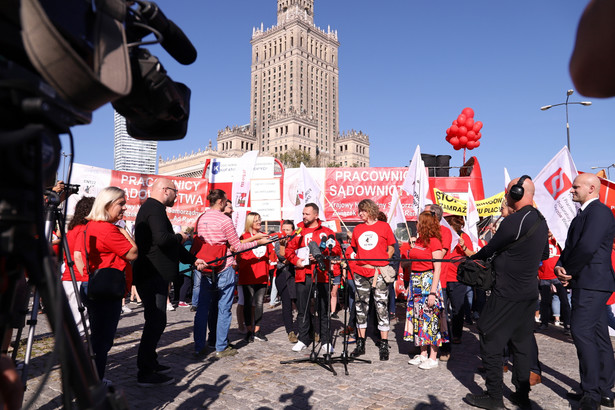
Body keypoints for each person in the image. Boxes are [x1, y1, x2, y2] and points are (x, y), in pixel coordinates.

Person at [463, 176, 548, 410]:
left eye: (508, 191)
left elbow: (489, 249)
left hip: (507, 292)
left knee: (489, 337)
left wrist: (472, 258)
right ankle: (521, 395)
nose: (506, 195)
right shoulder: (540, 220)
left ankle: (494, 396)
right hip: (528, 293)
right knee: (520, 345)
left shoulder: (514, 221)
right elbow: (544, 255)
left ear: (518, 193)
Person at [133, 178, 206, 387]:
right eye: (175, 192)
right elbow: (164, 240)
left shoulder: (154, 208)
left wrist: (192, 259)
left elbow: (167, 245)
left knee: (157, 321)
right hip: (151, 274)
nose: (177, 196)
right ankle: (145, 371)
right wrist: (181, 236)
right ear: (166, 191)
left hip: (155, 274)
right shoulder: (154, 209)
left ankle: (151, 362)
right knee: (155, 322)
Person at [555, 173, 615, 409]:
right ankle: (604, 390)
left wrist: (569, 270)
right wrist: (561, 266)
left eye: (576, 187)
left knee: (581, 332)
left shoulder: (599, 212)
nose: (571, 190)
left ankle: (592, 393)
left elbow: (588, 246)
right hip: (586, 281)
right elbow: (571, 246)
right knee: (598, 334)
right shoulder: (581, 215)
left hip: (593, 282)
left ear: (591, 188)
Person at [193, 189, 270, 359]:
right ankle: (221, 346)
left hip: (205, 265)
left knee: (202, 308)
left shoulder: (201, 218)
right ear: (220, 201)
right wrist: (258, 242)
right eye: (226, 201)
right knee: (224, 308)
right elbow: (238, 246)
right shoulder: (225, 220)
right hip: (224, 266)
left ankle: (199, 346)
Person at [74, 187, 138, 385]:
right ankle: (94, 380)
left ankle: (88, 376)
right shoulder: (108, 229)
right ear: (107, 204)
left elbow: (78, 255)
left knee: (97, 337)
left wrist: (87, 276)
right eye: (121, 203)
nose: (125, 208)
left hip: (93, 285)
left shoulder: (89, 226)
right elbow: (133, 252)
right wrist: (122, 229)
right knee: (102, 340)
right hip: (106, 290)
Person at [285, 203, 341, 354]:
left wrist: (322, 253)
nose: (304, 216)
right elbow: (289, 249)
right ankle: (304, 339)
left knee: (323, 309)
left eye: (307, 214)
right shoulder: (298, 230)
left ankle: (325, 341)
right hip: (303, 274)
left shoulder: (326, 231)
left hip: (321, 275)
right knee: (302, 309)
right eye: (303, 213)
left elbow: (336, 249)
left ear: (316, 215)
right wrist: (296, 261)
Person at [349, 200, 396, 361]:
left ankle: (384, 344)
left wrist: (383, 261)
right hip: (361, 272)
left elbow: (391, 247)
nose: (360, 214)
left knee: (381, 307)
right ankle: (360, 343)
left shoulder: (384, 226)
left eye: (363, 211)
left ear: (370, 210)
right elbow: (355, 248)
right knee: (361, 307)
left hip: (379, 273)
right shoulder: (358, 228)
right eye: (359, 211)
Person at [404, 211, 447, 370]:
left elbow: (437, 268)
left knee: (431, 319)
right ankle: (422, 353)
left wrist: (433, 292)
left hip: (428, 282)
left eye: (418, 221)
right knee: (418, 318)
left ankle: (433, 356)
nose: (415, 224)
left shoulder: (434, 242)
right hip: (416, 281)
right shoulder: (420, 240)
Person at [237, 212, 277, 342]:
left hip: (262, 275)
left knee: (259, 303)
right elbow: (241, 254)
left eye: (260, 220)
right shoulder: (245, 236)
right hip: (248, 275)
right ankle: (248, 330)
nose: (259, 222)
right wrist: (256, 241)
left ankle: (257, 330)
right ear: (250, 223)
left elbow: (271, 254)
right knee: (248, 303)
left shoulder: (266, 236)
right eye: (256, 221)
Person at [62, 196, 94, 335]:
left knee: (75, 319)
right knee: (80, 322)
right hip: (77, 278)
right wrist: (86, 277)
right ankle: (75, 353)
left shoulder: (73, 228)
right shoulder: (83, 229)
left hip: (70, 276)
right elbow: (78, 255)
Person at [443, 215, 473, 346]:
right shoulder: (442, 235)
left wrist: (464, 246)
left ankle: (457, 334)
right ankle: (444, 335)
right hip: (442, 278)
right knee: (442, 310)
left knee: (457, 310)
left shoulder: (463, 237)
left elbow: (473, 255)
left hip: (457, 279)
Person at [536, 232, 570, 335]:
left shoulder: (558, 242)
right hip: (544, 276)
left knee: (564, 301)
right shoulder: (540, 242)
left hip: (557, 277)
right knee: (545, 302)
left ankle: (567, 325)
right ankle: (544, 323)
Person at [275, 220, 299, 343]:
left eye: (288, 230)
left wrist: (291, 259)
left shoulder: (298, 241)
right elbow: (283, 258)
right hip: (283, 275)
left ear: (293, 231)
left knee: (301, 302)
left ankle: (307, 329)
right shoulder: (278, 242)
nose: (285, 232)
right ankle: (290, 331)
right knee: (287, 303)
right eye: (283, 229)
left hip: (296, 274)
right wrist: (290, 257)